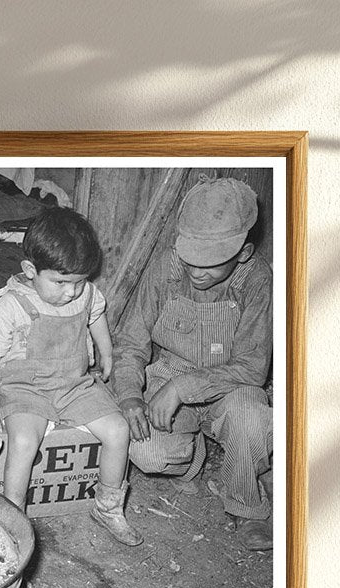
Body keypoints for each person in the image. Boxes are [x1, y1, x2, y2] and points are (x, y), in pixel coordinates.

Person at [111, 177, 274, 551]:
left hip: (232, 385)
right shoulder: (166, 268)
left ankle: (247, 506)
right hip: (169, 373)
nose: (197, 271)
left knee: (251, 420)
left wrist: (183, 389)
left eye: (211, 262)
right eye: (191, 258)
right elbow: (131, 343)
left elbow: (252, 367)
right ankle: (194, 454)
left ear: (244, 252)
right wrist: (130, 395)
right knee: (145, 452)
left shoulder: (257, 279)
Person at [0, 207, 141, 545]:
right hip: (25, 389)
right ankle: (13, 517)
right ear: (31, 270)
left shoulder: (86, 294)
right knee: (23, 441)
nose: (71, 292)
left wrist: (106, 352)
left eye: (79, 282)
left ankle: (108, 506)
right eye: (60, 283)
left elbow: (95, 316)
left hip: (74, 384)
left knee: (118, 430)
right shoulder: (10, 305)